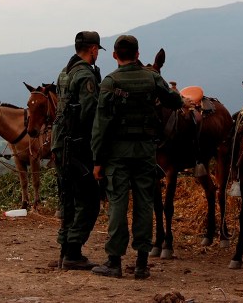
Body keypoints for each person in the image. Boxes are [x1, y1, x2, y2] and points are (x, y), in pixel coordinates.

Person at [90, 35, 184, 279]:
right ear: (138, 54)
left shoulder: (110, 82)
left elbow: (100, 125)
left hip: (117, 155)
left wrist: (98, 161)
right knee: (144, 204)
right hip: (145, 153)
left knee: (118, 205)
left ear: (114, 55)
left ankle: (114, 262)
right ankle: (142, 263)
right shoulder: (152, 77)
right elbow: (175, 102)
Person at [50, 30, 104, 270]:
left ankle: (64, 252)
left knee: (68, 199)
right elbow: (90, 113)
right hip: (78, 146)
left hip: (60, 144)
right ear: (93, 49)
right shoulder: (85, 76)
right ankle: (73, 252)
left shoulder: (64, 72)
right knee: (90, 200)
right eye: (96, 51)